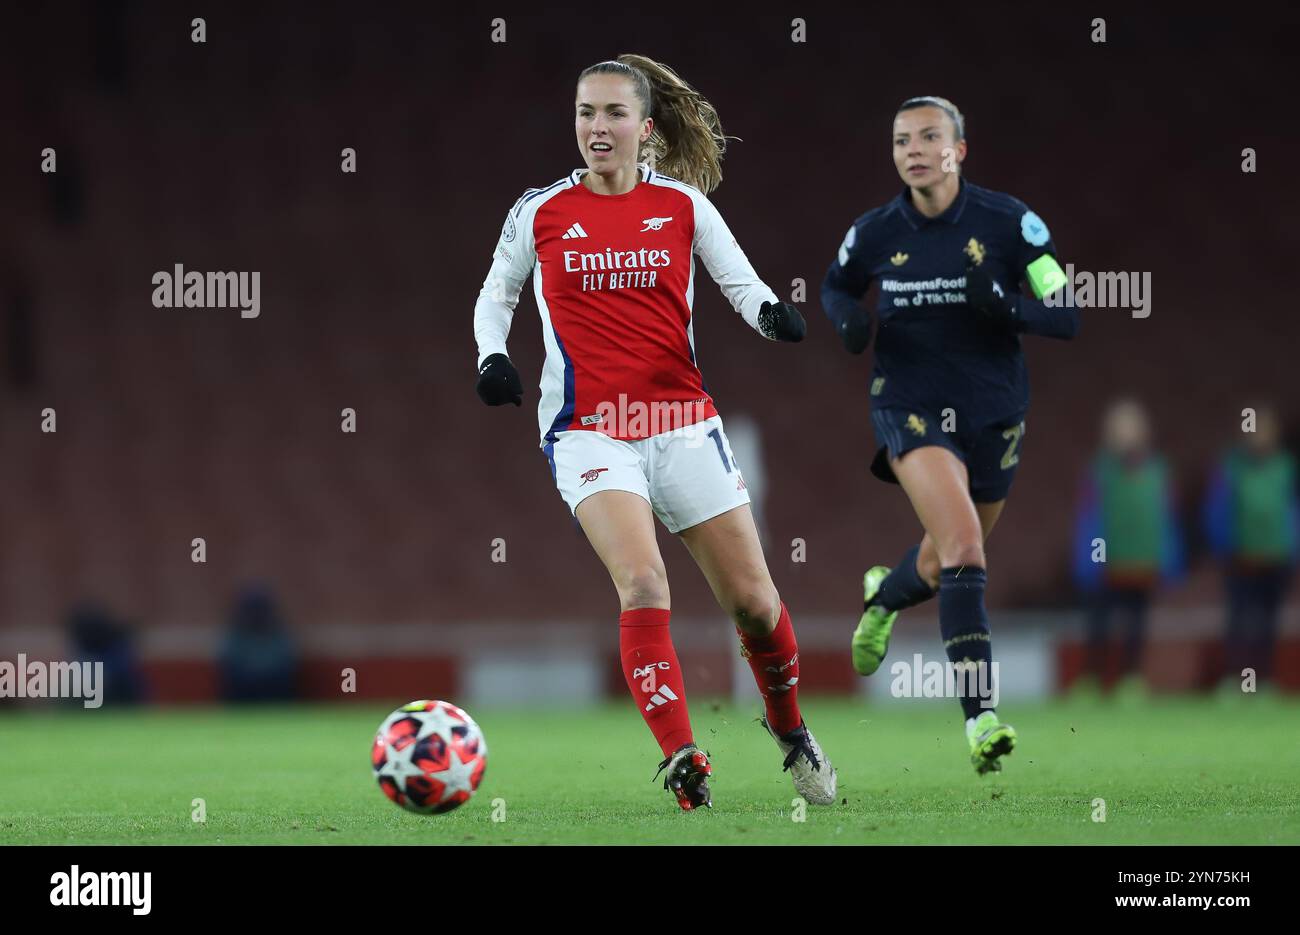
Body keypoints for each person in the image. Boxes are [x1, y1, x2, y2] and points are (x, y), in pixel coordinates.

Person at [472, 54, 835, 810]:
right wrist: (493, 355)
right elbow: (495, 295)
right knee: (642, 582)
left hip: (681, 423)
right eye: (584, 112)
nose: (596, 128)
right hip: (589, 431)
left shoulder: (682, 205)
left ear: (644, 126)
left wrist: (771, 314)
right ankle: (682, 757)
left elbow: (739, 279)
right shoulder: (539, 210)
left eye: (611, 114)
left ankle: (792, 730)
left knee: (756, 604)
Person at [821, 95, 1078, 774]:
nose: (912, 149)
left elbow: (1067, 313)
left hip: (994, 411)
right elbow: (835, 286)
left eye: (928, 136)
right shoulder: (876, 231)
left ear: (958, 150)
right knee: (966, 545)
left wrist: (1008, 308)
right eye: (902, 138)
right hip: (909, 403)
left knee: (943, 562)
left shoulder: (1009, 222)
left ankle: (886, 594)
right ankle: (981, 717)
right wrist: (849, 320)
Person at [1071, 399, 1184, 697]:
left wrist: (1168, 557)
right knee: (1099, 625)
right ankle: (1092, 679)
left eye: (1131, 428)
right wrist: (1090, 560)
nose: (1126, 435)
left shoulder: (1158, 470)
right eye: (1120, 429)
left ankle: (1131, 680)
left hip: (1142, 562)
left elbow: (1166, 517)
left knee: (1136, 625)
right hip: (1106, 564)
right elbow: (1089, 517)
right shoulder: (1099, 471)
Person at [1204, 405, 1298, 693]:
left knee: (1267, 625)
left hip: (1275, 557)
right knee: (1239, 621)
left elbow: (1291, 511)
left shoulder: (1285, 467)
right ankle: (1236, 680)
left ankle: (1263, 681)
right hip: (1239, 559)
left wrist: (1292, 549)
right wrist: (1224, 546)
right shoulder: (1231, 466)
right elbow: (1217, 510)